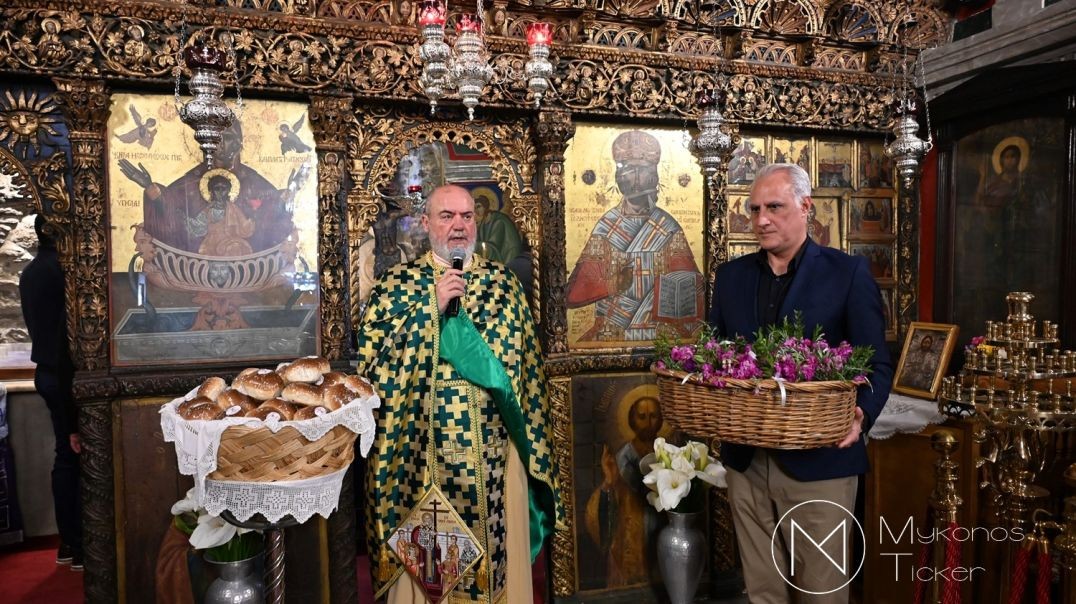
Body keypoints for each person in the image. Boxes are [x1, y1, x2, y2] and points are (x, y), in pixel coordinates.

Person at [356, 184, 564, 603]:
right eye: (447, 216)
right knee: (433, 578)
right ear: (427, 223)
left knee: (494, 570)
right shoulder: (396, 285)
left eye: (466, 216)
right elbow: (372, 370)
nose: (458, 226)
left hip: (494, 458)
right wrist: (431, 309)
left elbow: (524, 374)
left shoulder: (503, 285)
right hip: (422, 463)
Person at [708, 164, 893, 603]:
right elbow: (714, 359)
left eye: (773, 207)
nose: (761, 219)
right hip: (747, 462)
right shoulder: (730, 278)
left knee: (822, 593)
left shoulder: (847, 274)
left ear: (805, 207)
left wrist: (861, 414)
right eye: (754, 209)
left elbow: (878, 364)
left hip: (822, 463)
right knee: (763, 592)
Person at [566, 130, 704, 342]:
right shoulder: (606, 226)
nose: (638, 179)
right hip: (612, 330)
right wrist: (614, 284)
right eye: (630, 170)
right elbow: (574, 292)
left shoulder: (668, 227)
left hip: (663, 333)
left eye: (644, 170)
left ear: (656, 176)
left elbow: (691, 287)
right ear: (618, 177)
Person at [118, 120, 297, 255]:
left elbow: (269, 217)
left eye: (228, 138)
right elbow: (172, 212)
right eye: (215, 138)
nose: (221, 144)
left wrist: (290, 191)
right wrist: (150, 187)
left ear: (238, 143)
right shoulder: (191, 181)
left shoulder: (254, 181)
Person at [18, 215, 83, 571]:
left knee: (66, 456)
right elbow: (65, 340)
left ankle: (69, 542)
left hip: (47, 373)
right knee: (75, 456)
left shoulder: (30, 271)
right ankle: (79, 542)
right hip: (64, 375)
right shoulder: (63, 271)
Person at [584, 395, 663, 587]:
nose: (648, 423)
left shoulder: (667, 451)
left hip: (662, 543)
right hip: (629, 545)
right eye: (642, 416)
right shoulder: (623, 457)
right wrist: (609, 483)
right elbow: (600, 514)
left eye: (653, 416)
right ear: (632, 421)